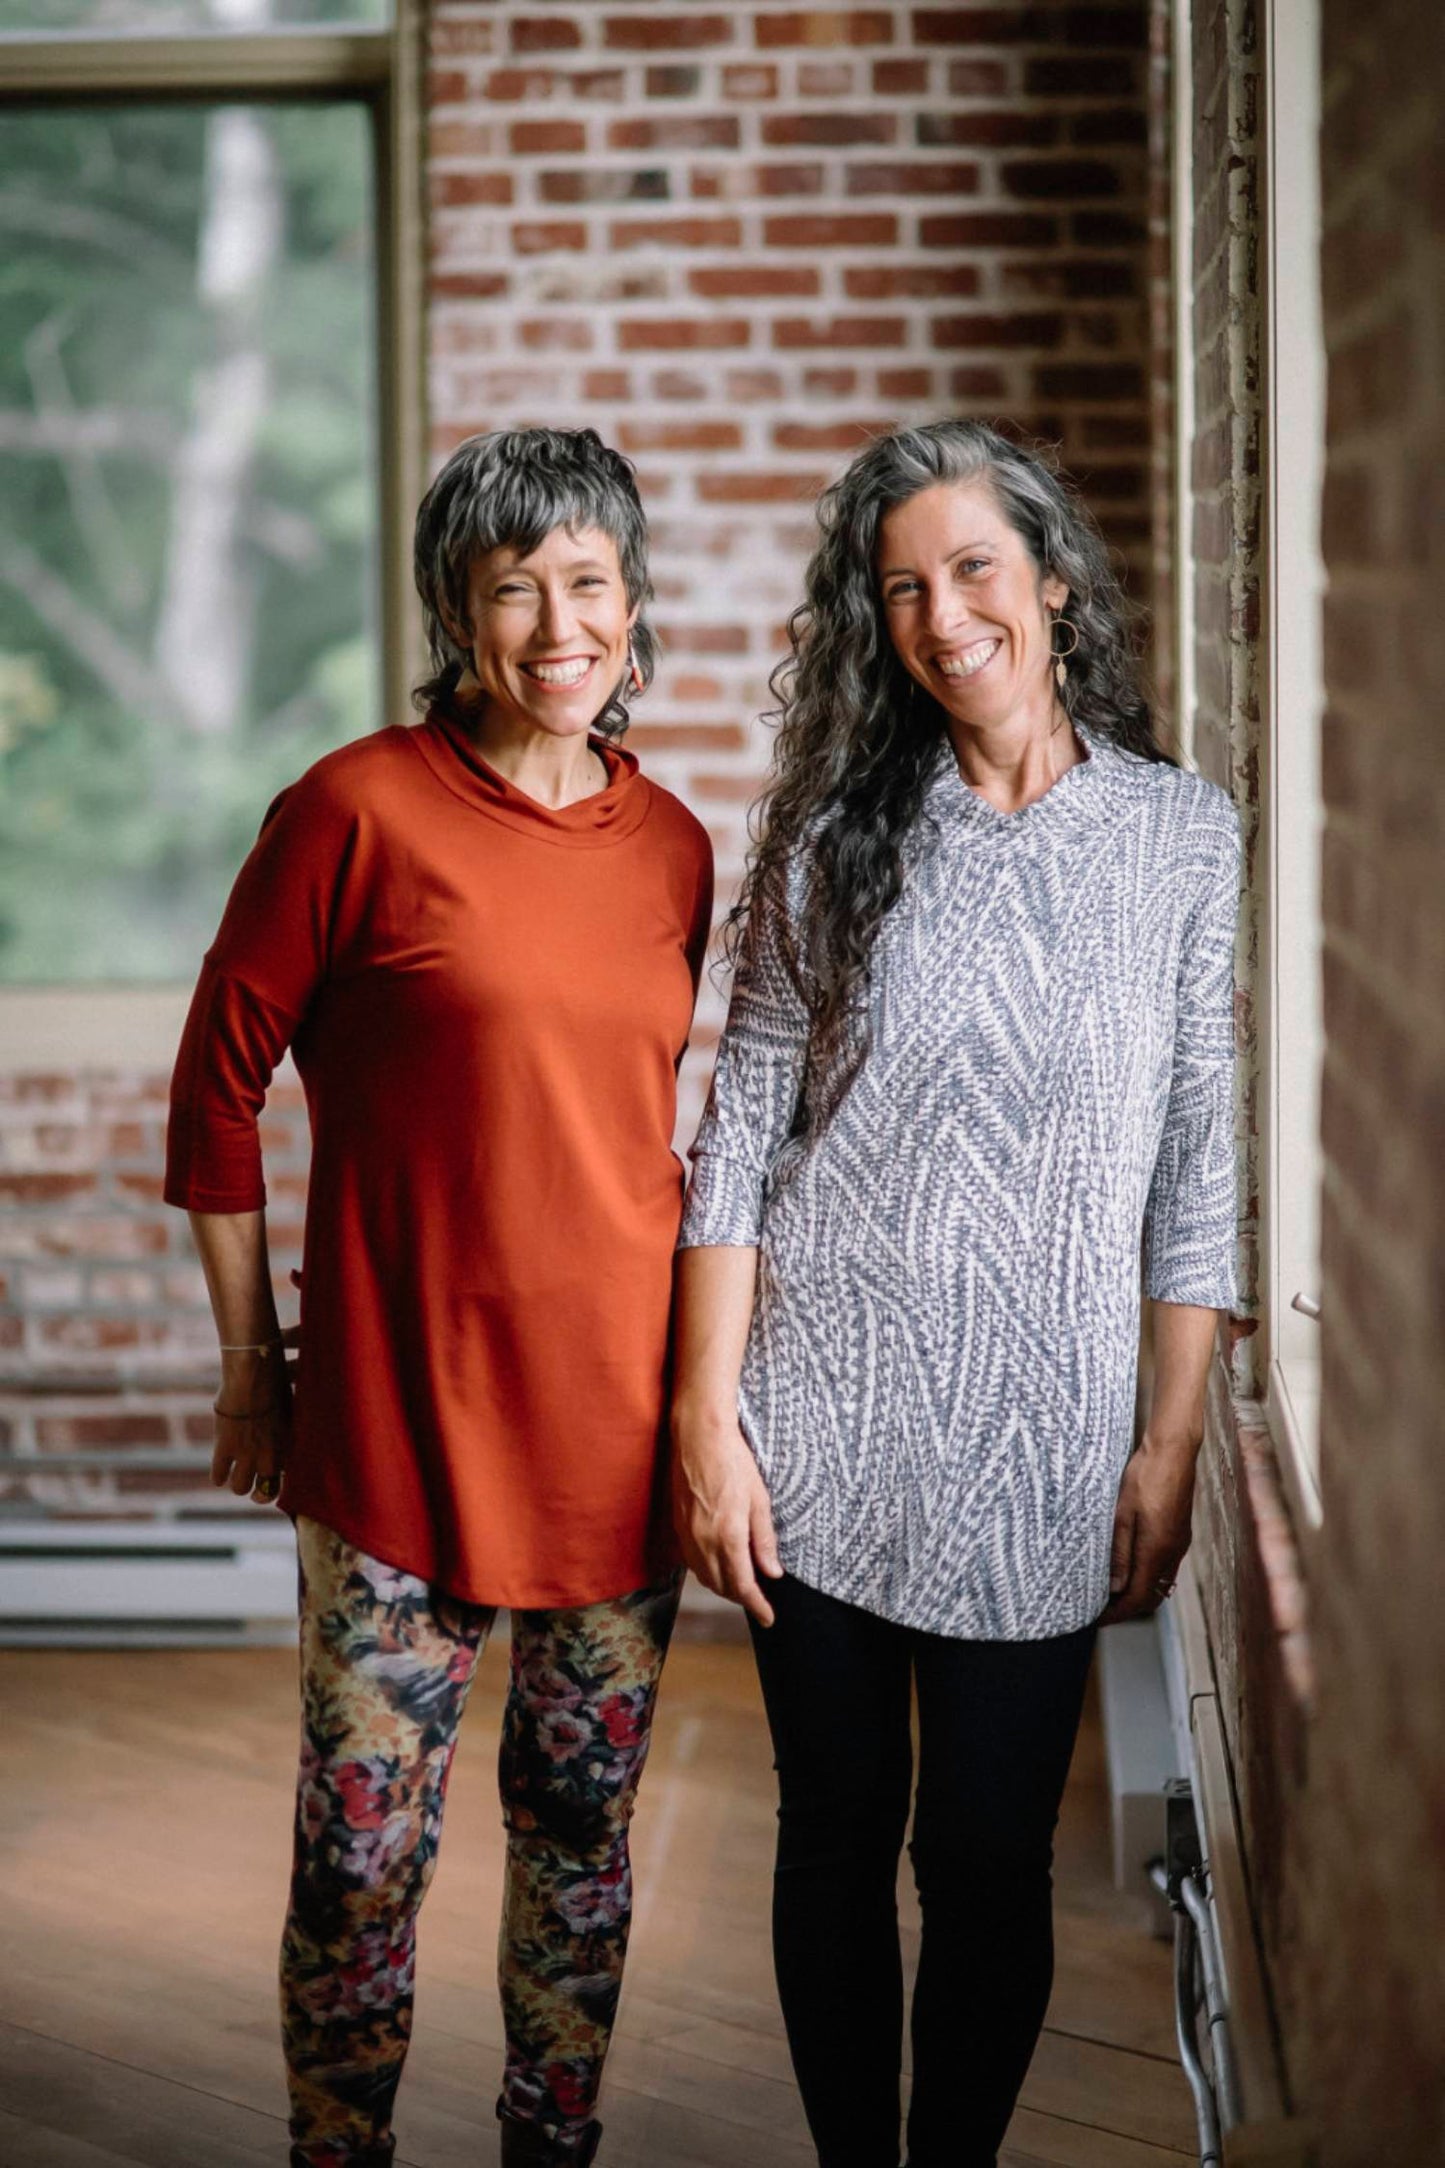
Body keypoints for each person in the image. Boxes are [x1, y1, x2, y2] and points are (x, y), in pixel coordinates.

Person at [670, 418, 1239, 2168]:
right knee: (835, 1833)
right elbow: (738, 1133)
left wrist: (1168, 1442)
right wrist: (707, 1421)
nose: (940, 614)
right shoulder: (837, 832)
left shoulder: (1178, 839)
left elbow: (1198, 1163)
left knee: (987, 1863)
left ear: (1052, 583)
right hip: (817, 1418)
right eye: (899, 587)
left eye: (972, 568)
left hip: (1051, 1444)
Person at [164, 427, 713, 2168]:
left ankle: (551, 2143)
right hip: (393, 1430)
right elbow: (214, 1089)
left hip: (612, 1445)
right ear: (454, 613)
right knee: (358, 1858)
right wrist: (256, 1370)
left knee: (580, 1845)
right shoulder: (354, 808)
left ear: (634, 611)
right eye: (513, 588)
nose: (558, 622)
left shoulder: (679, 848)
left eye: (590, 583)